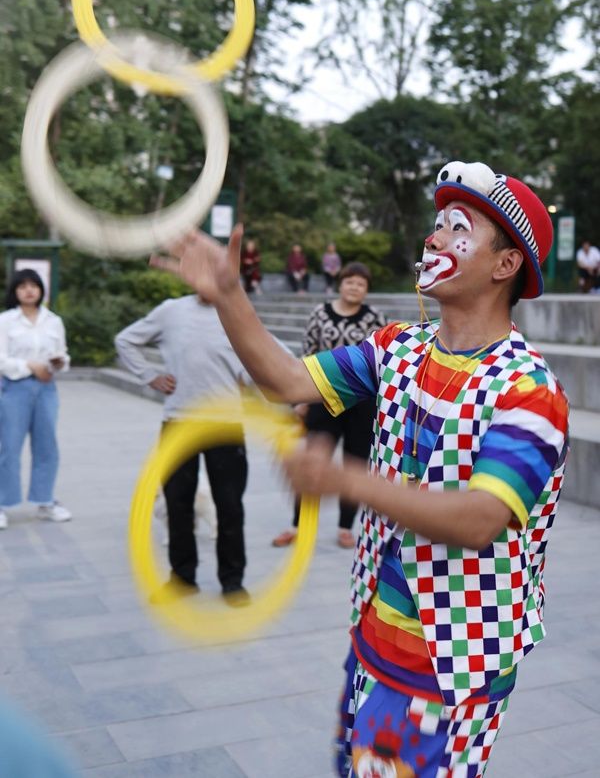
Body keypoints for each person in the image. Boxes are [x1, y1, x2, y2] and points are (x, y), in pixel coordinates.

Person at [151, 159, 569, 778]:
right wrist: (230, 296)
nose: (432, 238)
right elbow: (284, 381)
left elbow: (480, 519)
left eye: (457, 228)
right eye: (435, 225)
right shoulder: (397, 347)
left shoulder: (530, 390)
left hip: (449, 661)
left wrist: (345, 478)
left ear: (505, 264)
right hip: (375, 639)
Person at [115, 294, 252, 604]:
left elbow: (266, 355)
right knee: (178, 504)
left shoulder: (237, 308)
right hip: (179, 420)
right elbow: (125, 340)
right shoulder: (170, 311)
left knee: (229, 505)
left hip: (225, 423)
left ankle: (232, 582)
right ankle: (182, 578)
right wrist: (149, 376)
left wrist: (253, 380)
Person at [272, 262, 386, 549]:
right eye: (350, 282)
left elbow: (383, 361)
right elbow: (307, 354)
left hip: (362, 403)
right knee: (313, 459)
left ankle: (346, 527)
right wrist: (301, 400)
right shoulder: (320, 314)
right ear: (340, 284)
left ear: (366, 290)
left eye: (361, 284)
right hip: (324, 397)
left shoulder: (375, 318)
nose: (354, 287)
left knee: (355, 463)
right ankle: (300, 524)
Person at [0, 269, 72, 530]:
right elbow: (1, 359)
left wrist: (58, 363)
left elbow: (62, 354)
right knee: (8, 446)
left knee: (47, 446)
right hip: (14, 388)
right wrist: (31, 366)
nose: (28, 290)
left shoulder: (53, 321)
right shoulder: (6, 321)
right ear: (15, 292)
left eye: (33, 285)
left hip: (46, 389)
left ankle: (45, 502)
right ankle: (3, 503)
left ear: (41, 289)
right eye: (22, 286)